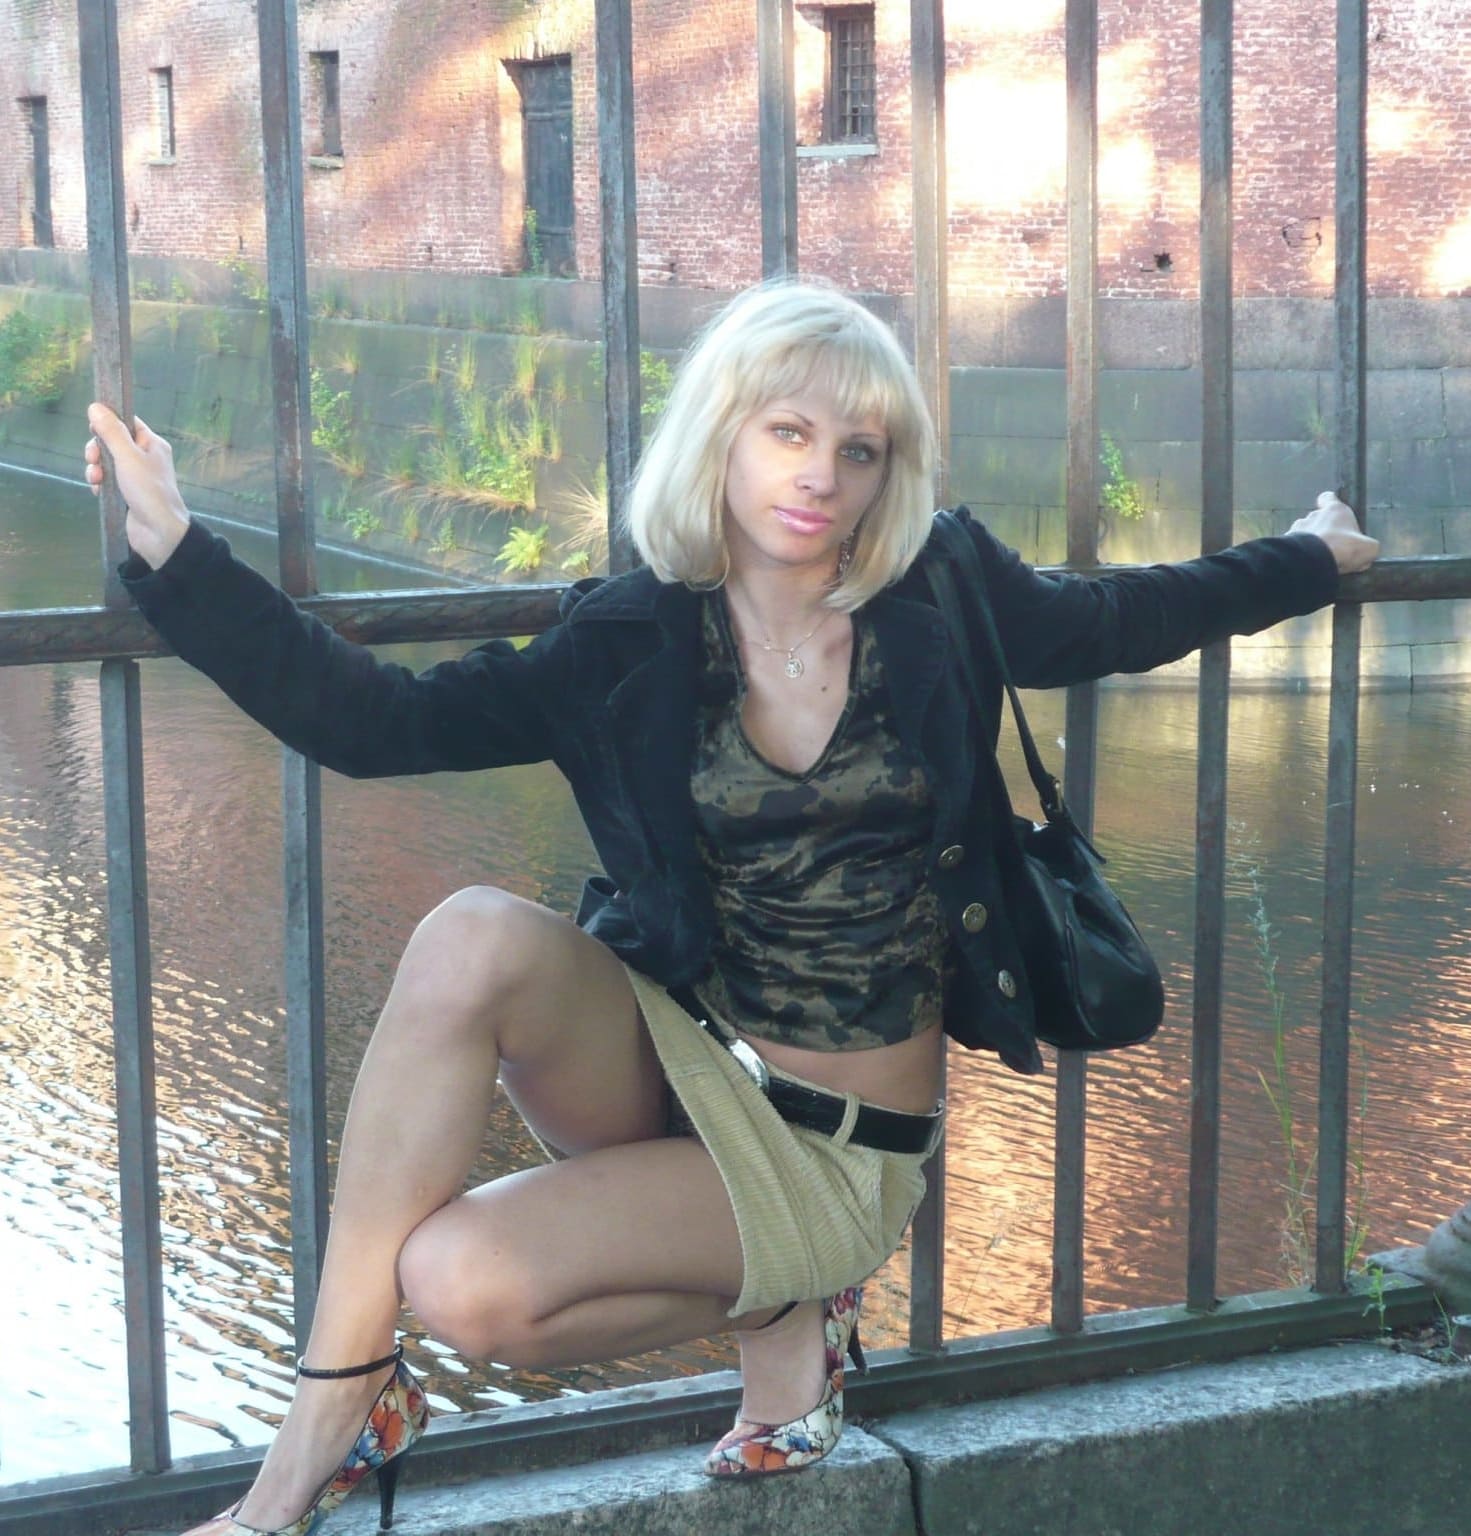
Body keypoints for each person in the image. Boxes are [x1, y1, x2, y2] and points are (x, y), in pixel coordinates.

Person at [83, 279, 1378, 1534]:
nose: (822, 477)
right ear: (723, 433)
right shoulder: (631, 636)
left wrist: (1311, 558)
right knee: (469, 933)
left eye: (859, 450)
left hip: (842, 1142)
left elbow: (1119, 619)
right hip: (684, 1057)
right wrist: (178, 557)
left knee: (461, 1284)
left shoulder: (941, 585)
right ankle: (339, 1402)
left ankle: (795, 1295)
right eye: (789, 432)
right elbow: (376, 724)